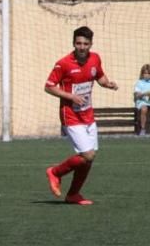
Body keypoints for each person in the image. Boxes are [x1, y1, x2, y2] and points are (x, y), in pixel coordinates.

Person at [43, 26, 118, 205]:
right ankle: (55, 172)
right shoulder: (63, 63)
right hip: (71, 116)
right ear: (73, 43)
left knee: (88, 161)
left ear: (91, 44)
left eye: (85, 43)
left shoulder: (95, 58)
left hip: (88, 115)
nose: (82, 47)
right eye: (78, 43)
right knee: (88, 155)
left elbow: (99, 76)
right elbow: (49, 86)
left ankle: (73, 195)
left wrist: (107, 84)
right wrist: (71, 96)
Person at [134, 63, 150, 136]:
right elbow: (137, 95)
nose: (147, 75)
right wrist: (145, 94)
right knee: (144, 108)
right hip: (142, 102)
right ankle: (143, 129)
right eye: (145, 73)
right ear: (142, 74)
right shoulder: (139, 83)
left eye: (148, 73)